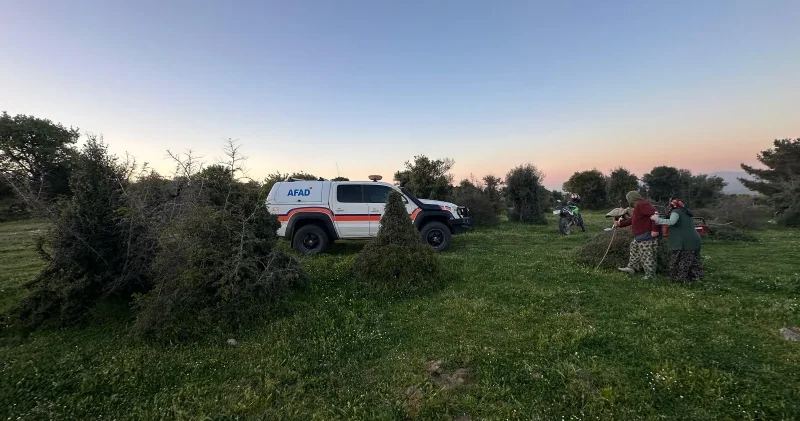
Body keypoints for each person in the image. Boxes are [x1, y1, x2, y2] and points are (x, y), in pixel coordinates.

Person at [651, 198, 703, 282]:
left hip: (684, 241)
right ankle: (695, 278)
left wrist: (656, 219)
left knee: (680, 261)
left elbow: (672, 222)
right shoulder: (686, 213)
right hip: (694, 240)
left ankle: (679, 279)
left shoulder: (676, 212)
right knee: (693, 261)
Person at [614, 191, 660, 279]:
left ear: (631, 198)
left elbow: (655, 214)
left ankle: (650, 275)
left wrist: (655, 229)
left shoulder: (642, 204)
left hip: (647, 235)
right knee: (634, 248)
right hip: (639, 236)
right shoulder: (638, 206)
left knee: (647, 255)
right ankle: (632, 267)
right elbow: (633, 219)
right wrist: (620, 224)